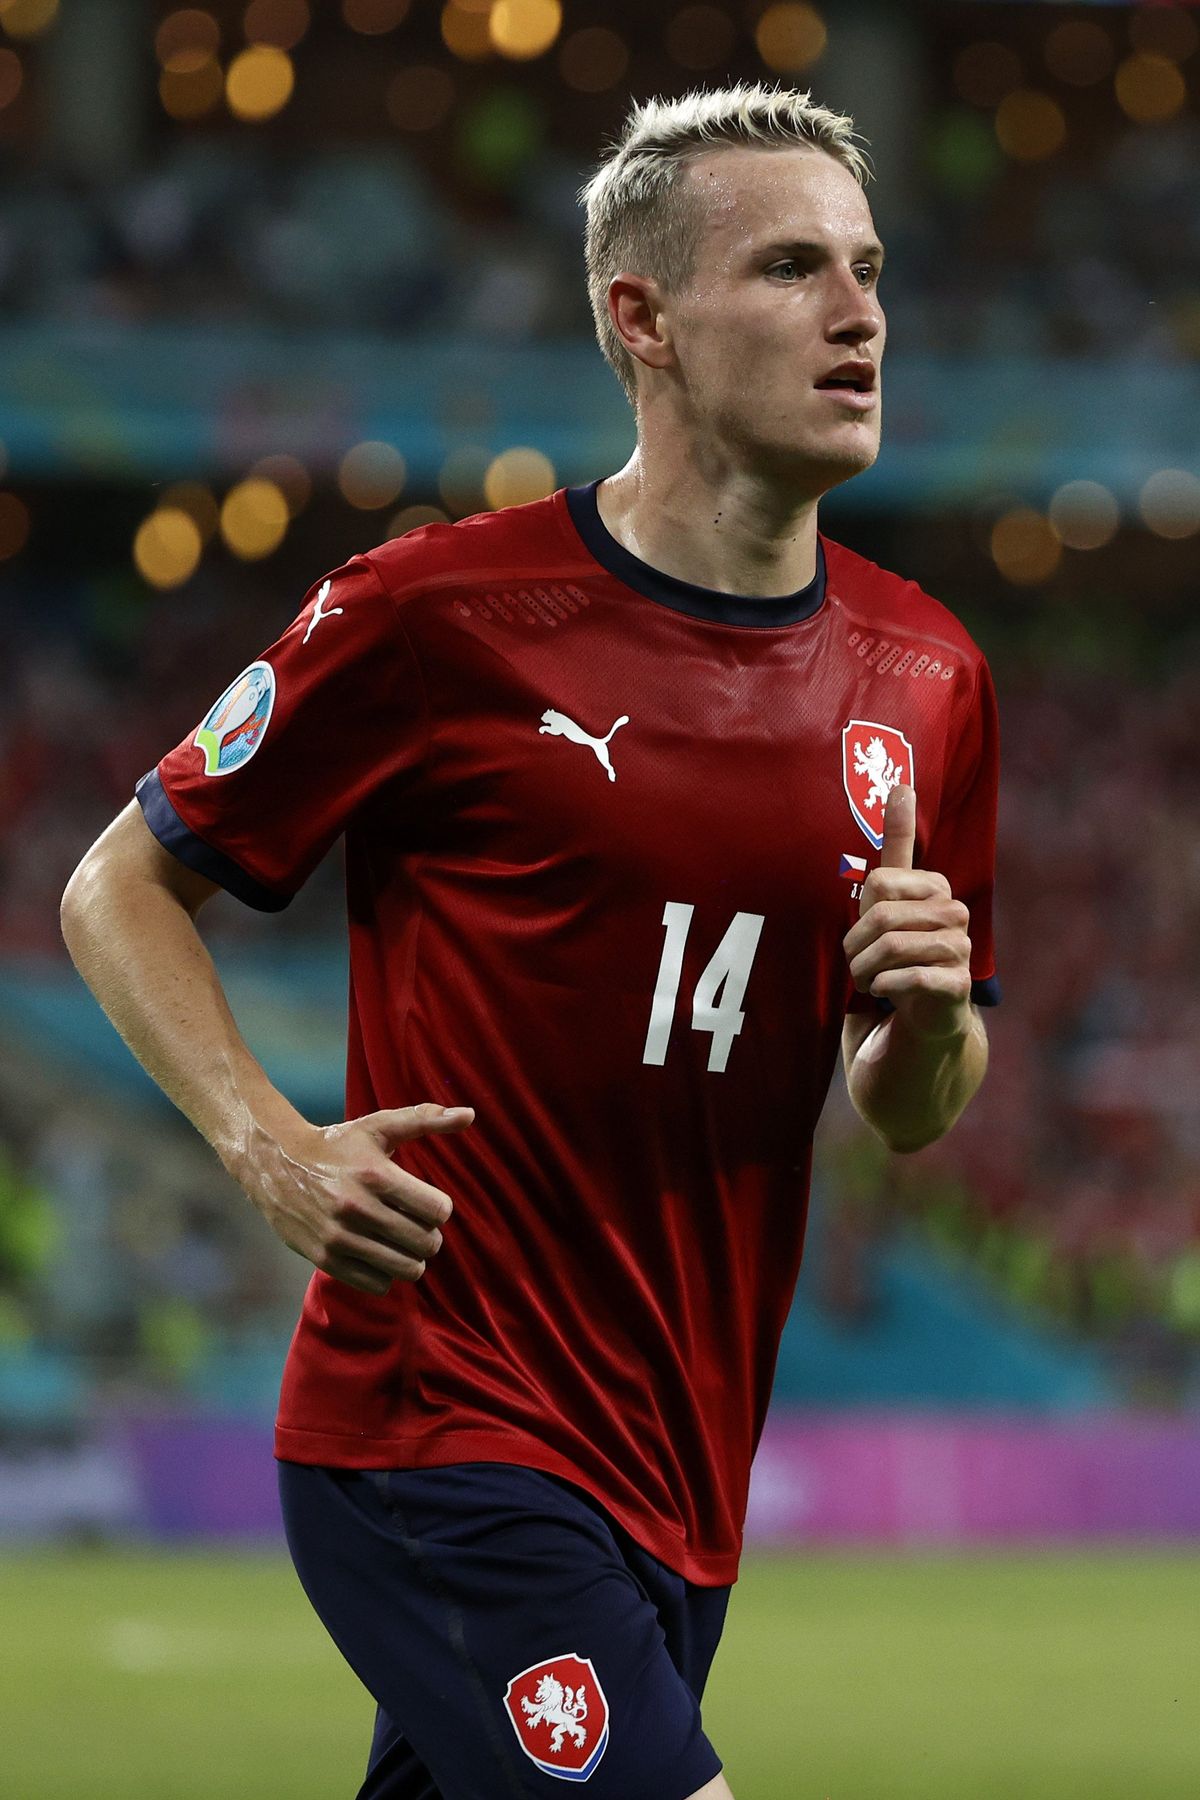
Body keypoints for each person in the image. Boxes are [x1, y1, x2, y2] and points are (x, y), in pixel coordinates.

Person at [61, 82, 998, 1800]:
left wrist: (929, 1018)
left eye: (868, 268)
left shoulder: (929, 677)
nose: (859, 313)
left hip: (682, 1459)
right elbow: (118, 883)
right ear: (642, 317)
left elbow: (913, 1103)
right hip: (442, 1425)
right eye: (790, 267)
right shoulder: (439, 617)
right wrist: (265, 1143)